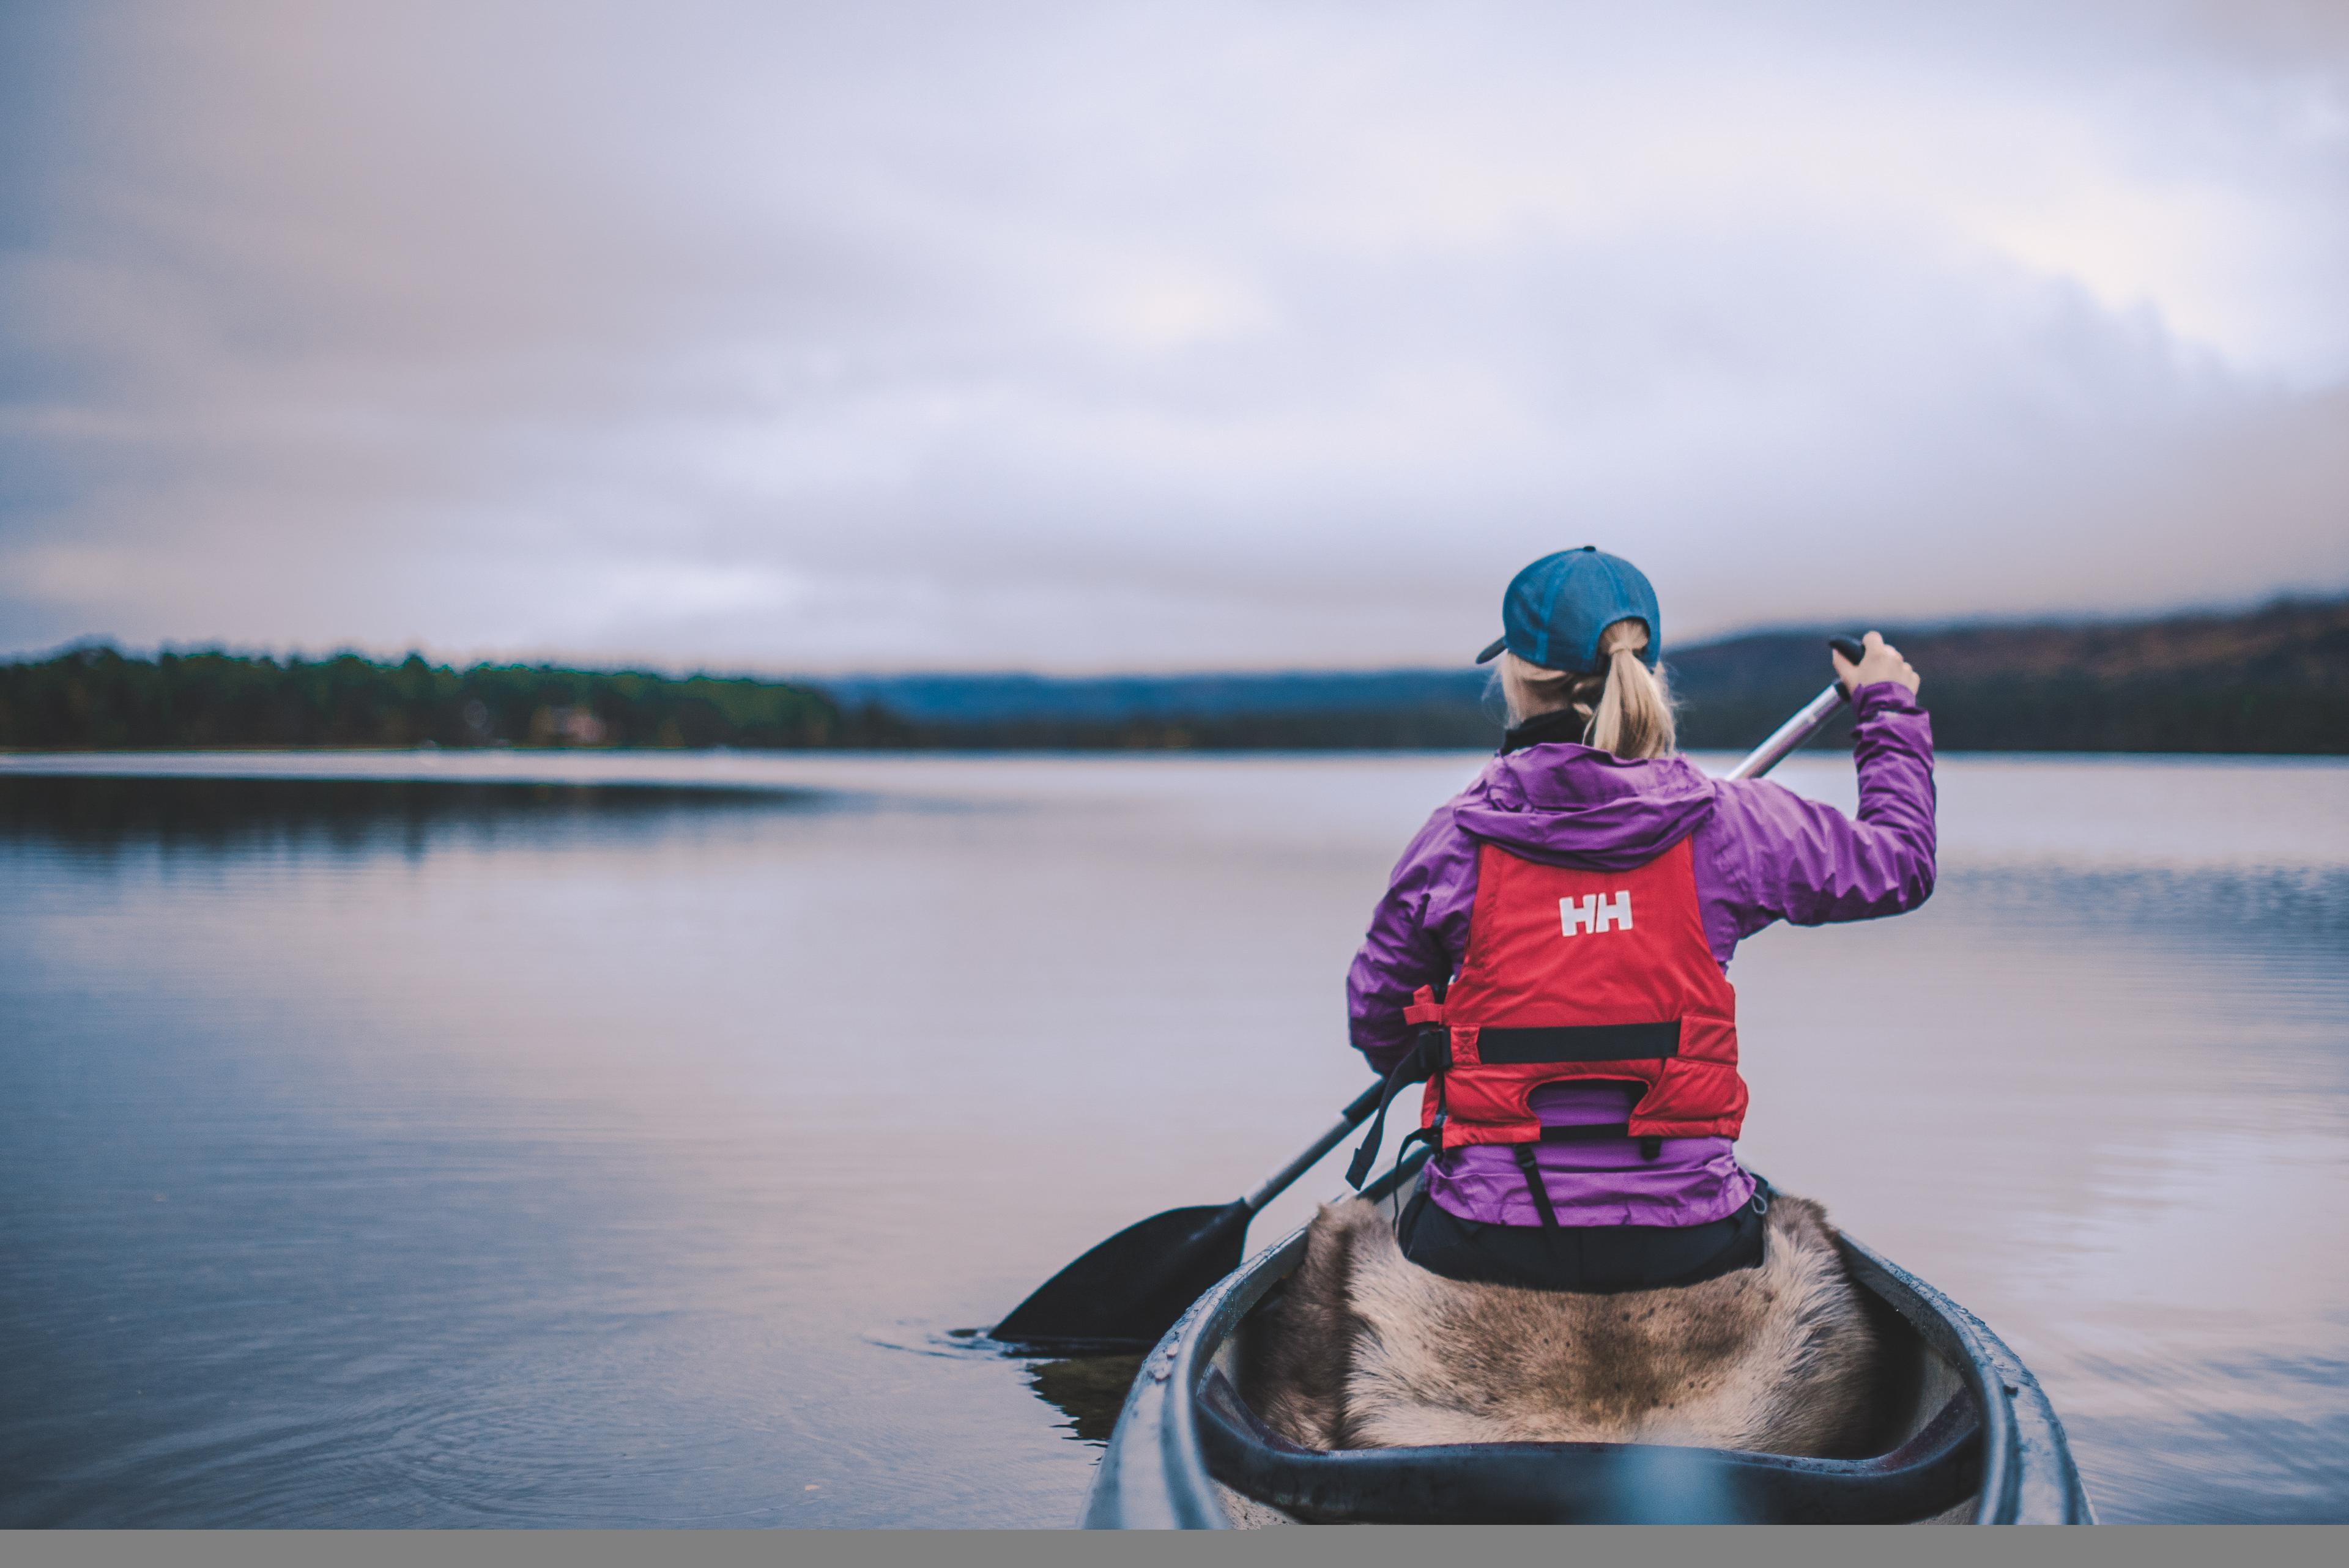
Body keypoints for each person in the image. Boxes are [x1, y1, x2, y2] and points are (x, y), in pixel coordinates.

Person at [1345, 545, 1933, 1294]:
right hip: (1688, 1239)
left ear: (1516, 678)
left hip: (1484, 1237)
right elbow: (1901, 861)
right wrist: (1885, 705)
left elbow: (1378, 1021)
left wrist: (1437, 1048)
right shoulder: (1729, 826)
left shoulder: (1455, 840)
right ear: (1647, 669)